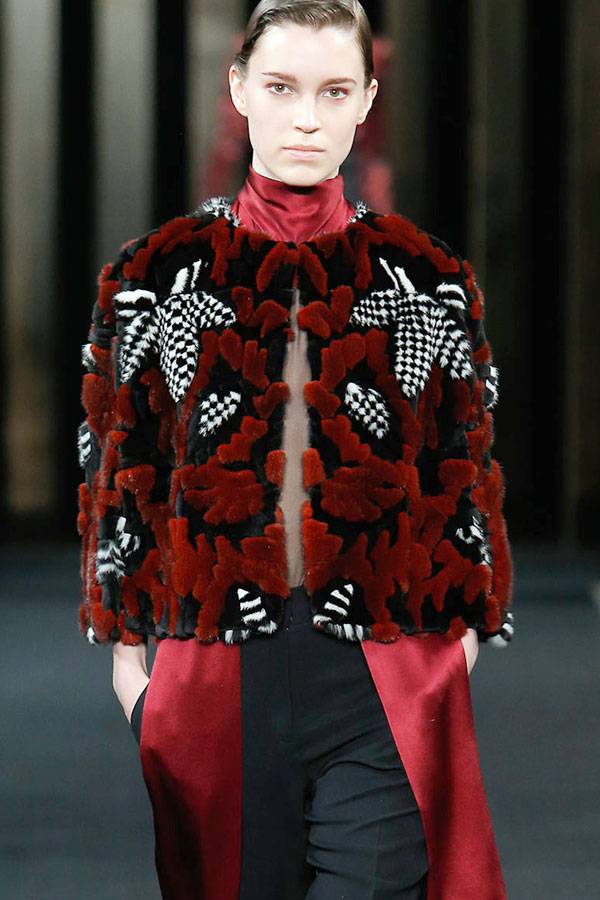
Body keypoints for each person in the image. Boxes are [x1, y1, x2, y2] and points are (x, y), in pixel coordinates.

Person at [77, 2, 514, 898]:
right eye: (281, 88)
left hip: (383, 670)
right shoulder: (153, 276)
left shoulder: (427, 278)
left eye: (334, 91)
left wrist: (458, 647)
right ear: (239, 89)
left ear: (367, 102)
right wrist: (132, 676)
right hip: (215, 675)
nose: (308, 118)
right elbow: (117, 473)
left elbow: (465, 476)